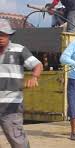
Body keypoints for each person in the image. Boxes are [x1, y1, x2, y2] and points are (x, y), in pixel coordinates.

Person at [0, 19, 43, 148]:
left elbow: (37, 65)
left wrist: (34, 77)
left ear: (9, 35)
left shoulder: (19, 50)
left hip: (11, 105)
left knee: (17, 141)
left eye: (4, 34)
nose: (1, 38)